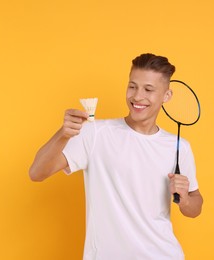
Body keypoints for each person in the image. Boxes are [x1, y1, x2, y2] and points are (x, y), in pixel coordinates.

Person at [29, 53, 203, 259]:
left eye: (148, 89)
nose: (137, 97)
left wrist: (184, 199)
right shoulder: (95, 133)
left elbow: (194, 207)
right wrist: (63, 134)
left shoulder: (178, 147)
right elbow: (36, 173)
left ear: (166, 96)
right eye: (132, 86)